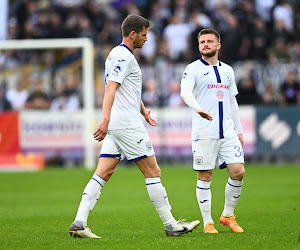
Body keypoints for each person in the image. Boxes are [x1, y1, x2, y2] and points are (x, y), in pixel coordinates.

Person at [69, 14, 200, 239]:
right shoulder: (124, 56)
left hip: (120, 124)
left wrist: (142, 110)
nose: (146, 39)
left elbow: (125, 88)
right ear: (132, 34)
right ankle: (171, 225)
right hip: (126, 125)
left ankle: (79, 222)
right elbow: (110, 88)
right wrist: (105, 119)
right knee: (153, 171)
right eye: (144, 34)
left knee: (103, 172)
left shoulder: (116, 54)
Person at [180, 29, 245, 234]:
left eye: (209, 41)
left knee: (238, 171)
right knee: (205, 175)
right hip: (204, 132)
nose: (205, 44)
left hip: (227, 131)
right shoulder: (192, 69)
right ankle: (208, 223)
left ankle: (227, 215)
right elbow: (185, 91)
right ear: (198, 46)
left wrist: (239, 129)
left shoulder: (228, 70)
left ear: (218, 45)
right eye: (202, 42)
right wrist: (197, 107)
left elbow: (232, 100)